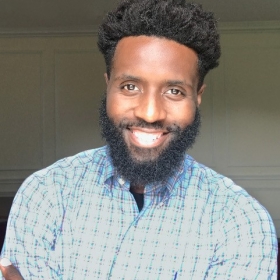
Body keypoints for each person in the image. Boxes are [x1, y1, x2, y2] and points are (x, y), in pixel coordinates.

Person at [0, 0, 278, 279]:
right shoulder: (46, 193)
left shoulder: (241, 222)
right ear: (108, 85)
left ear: (198, 96)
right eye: (130, 87)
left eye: (175, 91)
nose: (150, 113)